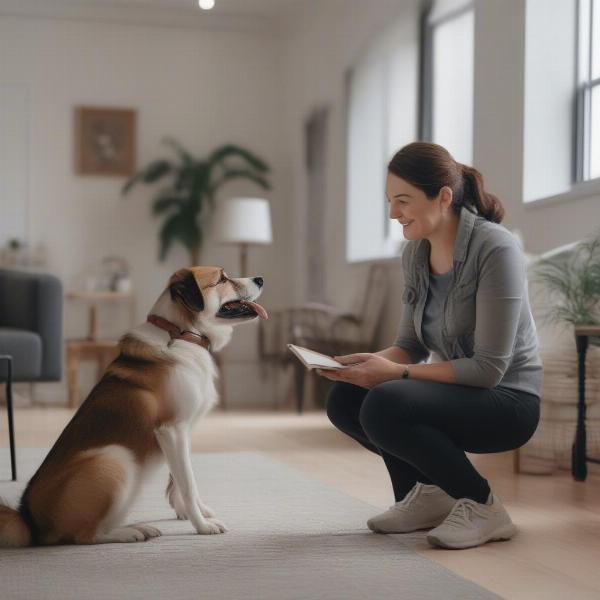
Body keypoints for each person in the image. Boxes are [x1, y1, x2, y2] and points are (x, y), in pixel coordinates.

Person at [319, 142, 542, 550]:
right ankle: (429, 494)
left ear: (443, 196)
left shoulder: (496, 248)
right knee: (345, 398)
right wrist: (361, 366)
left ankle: (483, 506)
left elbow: (489, 368)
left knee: (385, 400)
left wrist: (393, 374)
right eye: (390, 201)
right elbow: (408, 346)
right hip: (459, 392)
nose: (392, 213)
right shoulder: (415, 254)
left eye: (402, 201)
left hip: (508, 401)